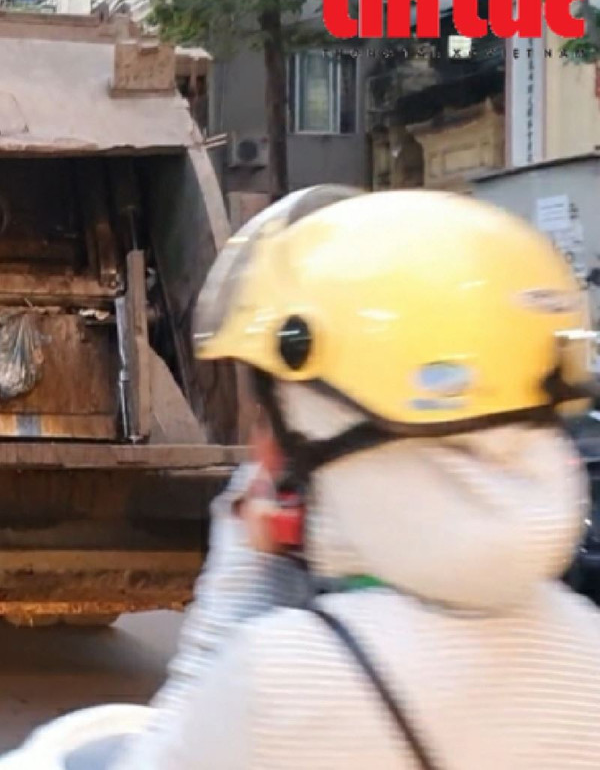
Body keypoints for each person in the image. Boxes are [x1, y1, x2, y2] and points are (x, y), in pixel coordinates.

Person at [116, 187, 600, 769]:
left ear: (328, 426)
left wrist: (246, 567)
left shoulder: (285, 680)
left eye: (276, 420)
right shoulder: (585, 649)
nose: (263, 453)